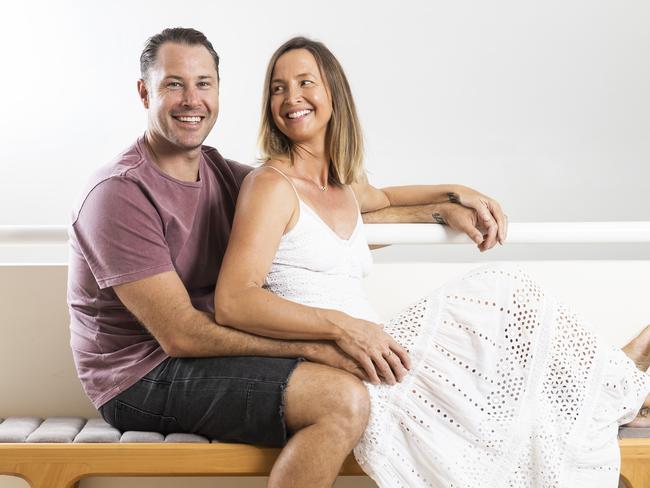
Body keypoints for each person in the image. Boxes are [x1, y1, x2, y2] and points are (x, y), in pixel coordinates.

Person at [67, 27, 510, 487]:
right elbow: (181, 335)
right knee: (340, 399)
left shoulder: (222, 173)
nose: (190, 99)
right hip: (139, 376)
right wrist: (325, 344)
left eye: (203, 84)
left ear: (218, 91)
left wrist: (442, 207)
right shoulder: (119, 193)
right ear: (145, 92)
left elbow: (324, 221)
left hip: (203, 354)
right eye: (173, 84)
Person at [212, 36, 650, 487]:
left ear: (333, 95)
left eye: (306, 82)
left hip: (375, 345)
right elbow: (234, 301)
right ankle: (622, 375)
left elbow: (387, 197)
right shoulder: (270, 186)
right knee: (500, 287)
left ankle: (612, 378)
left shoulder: (342, 188)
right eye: (278, 88)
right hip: (341, 358)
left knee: (503, 349)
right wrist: (344, 327)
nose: (291, 98)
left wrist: (457, 193)